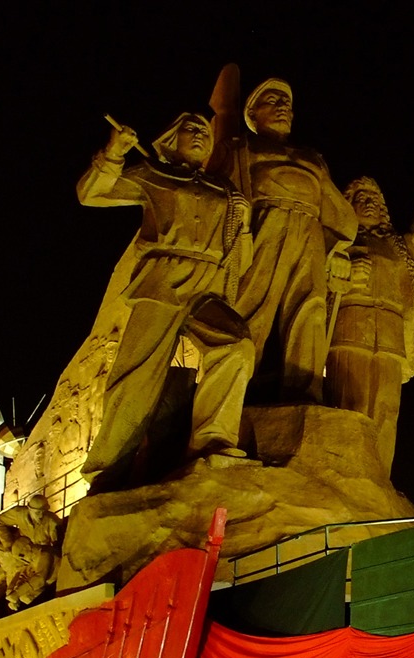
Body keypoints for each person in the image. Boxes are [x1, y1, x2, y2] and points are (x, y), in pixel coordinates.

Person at [78, 112, 256, 489]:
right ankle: (105, 471)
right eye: (191, 130)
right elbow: (92, 193)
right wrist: (113, 153)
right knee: (136, 378)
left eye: (205, 133)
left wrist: (242, 218)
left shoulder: (224, 189)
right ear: (170, 139)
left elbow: (240, 250)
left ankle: (213, 440)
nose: (200, 137)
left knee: (237, 345)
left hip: (208, 284)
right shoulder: (152, 174)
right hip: (162, 281)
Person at [208, 71, 357, 403]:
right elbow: (217, 190)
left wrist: (338, 249)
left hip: (309, 232)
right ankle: (233, 395)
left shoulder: (311, 157)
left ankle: (304, 393)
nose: (282, 108)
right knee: (251, 308)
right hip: (265, 224)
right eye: (272, 101)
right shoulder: (242, 147)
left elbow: (339, 214)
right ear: (253, 115)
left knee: (310, 310)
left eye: (286, 103)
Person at [325, 138, 414, 473]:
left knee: (386, 413)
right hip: (348, 329)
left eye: (373, 199)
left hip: (392, 336)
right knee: (348, 406)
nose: (368, 204)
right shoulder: (335, 243)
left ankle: (378, 478)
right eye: (360, 198)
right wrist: (343, 269)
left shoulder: (401, 247)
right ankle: (343, 473)